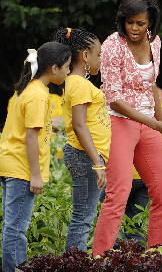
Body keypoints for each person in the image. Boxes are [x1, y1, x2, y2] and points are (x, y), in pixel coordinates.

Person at [92, 0, 162, 256]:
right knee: (118, 195)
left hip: (149, 124)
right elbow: (114, 99)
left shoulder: (155, 43)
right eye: (129, 21)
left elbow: (150, 83)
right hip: (120, 120)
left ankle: (157, 255)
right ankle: (100, 259)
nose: (134, 28)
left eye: (140, 23)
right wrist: (156, 125)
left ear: (151, 23)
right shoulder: (112, 46)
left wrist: (161, 119)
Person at [0, 42, 71, 272]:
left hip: (10, 164)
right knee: (16, 229)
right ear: (53, 68)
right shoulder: (39, 96)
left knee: (12, 227)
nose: (68, 72)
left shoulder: (27, 89)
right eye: (67, 67)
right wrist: (36, 175)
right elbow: (31, 138)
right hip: (21, 168)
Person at [52, 27, 111, 252]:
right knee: (83, 217)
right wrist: (97, 162)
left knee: (85, 215)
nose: (101, 61)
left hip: (86, 156)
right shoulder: (78, 84)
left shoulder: (80, 84)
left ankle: (74, 262)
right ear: (85, 56)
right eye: (98, 55)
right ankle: (74, 264)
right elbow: (79, 125)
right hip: (85, 156)